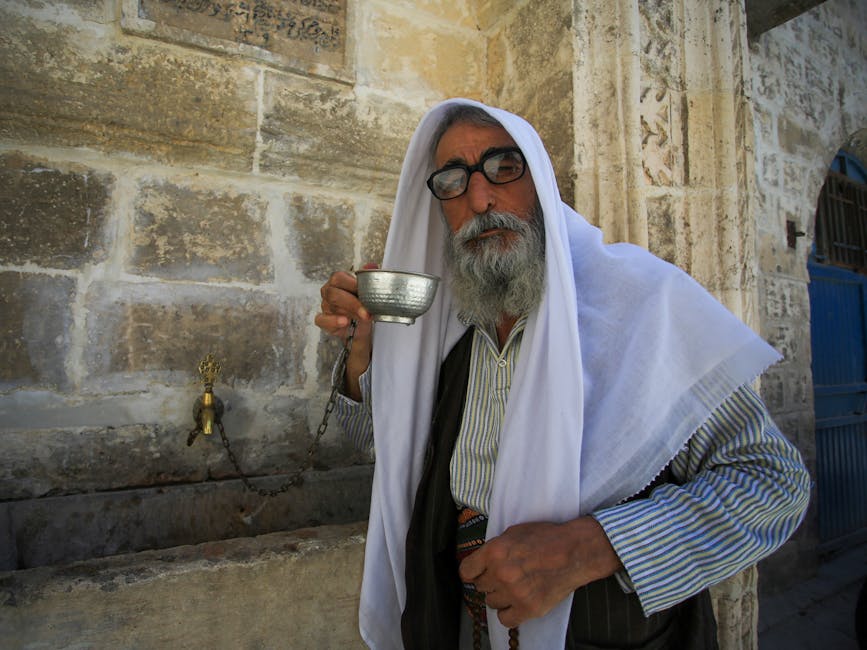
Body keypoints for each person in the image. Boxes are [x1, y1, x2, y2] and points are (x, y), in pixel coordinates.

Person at [315, 99, 810, 650]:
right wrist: (364, 354)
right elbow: (385, 450)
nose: (480, 199)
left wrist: (589, 548)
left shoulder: (643, 307)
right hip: (460, 617)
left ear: (543, 184)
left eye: (504, 168)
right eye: (453, 181)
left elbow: (773, 482)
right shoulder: (449, 327)